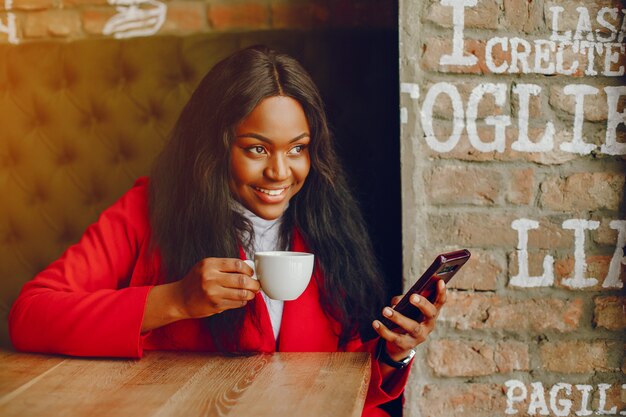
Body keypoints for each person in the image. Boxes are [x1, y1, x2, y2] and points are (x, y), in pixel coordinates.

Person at [9, 45, 447, 417]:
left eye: (298, 149)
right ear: (214, 146)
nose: (279, 172)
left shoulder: (326, 227)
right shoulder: (149, 210)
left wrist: (394, 352)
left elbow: (342, 387)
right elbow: (30, 315)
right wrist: (174, 300)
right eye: (256, 148)